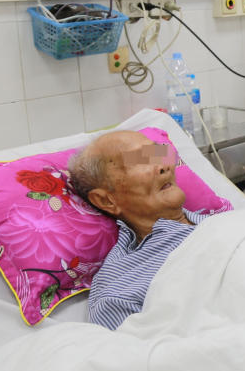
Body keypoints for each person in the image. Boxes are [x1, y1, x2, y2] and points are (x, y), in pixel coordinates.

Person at [68, 131, 214, 330]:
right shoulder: (119, 289)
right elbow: (139, 356)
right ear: (106, 200)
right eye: (141, 161)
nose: (164, 166)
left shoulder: (227, 222)